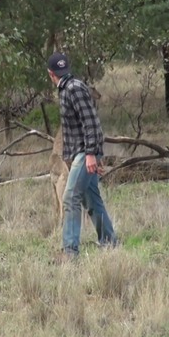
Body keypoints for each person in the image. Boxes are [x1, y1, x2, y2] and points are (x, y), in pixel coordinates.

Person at [47, 52, 118, 257]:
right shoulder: (66, 90)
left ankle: (70, 251)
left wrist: (91, 154)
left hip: (83, 154)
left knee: (70, 198)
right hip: (81, 153)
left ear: (51, 74)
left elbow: (91, 123)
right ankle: (110, 242)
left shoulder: (74, 88)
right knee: (92, 200)